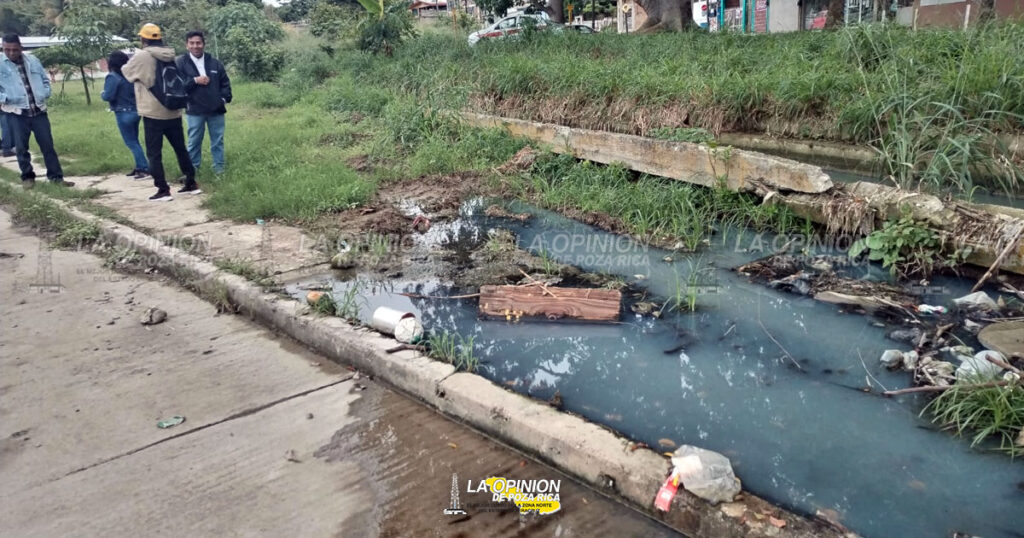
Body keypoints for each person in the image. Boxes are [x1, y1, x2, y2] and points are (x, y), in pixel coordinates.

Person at [122, 23, 198, 202]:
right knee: (181, 148)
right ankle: (191, 183)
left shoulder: (142, 56)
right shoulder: (169, 54)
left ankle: (163, 189)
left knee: (154, 153)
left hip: (153, 112)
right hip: (173, 109)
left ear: (143, 39)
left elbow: (127, 72)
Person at [0, 34, 72, 189]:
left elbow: (45, 80)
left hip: (38, 110)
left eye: (15, 49)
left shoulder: (33, 61)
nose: (11, 53)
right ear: (3, 48)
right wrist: (5, 98)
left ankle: (56, 178)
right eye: (7, 50)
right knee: (21, 147)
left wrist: (44, 93)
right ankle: (27, 177)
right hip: (16, 112)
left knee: (48, 146)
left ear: (21, 48)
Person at [176, 31, 232, 175]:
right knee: (194, 141)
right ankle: (192, 171)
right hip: (194, 109)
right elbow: (178, 86)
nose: (196, 46)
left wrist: (223, 100)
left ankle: (219, 170)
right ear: (187, 45)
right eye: (192, 43)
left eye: (198, 43)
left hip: (216, 109)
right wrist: (195, 80)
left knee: (217, 141)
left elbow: (225, 84)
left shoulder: (214, 63)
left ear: (204, 44)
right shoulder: (180, 63)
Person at [101, 51, 149, 180]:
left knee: (131, 142)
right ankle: (139, 166)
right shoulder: (130, 75)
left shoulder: (112, 77)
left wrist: (102, 93)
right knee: (135, 140)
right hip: (135, 110)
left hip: (123, 112)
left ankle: (144, 168)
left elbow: (108, 96)